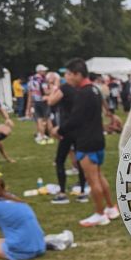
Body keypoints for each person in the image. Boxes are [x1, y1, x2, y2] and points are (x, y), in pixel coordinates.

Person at [55, 58, 117, 227]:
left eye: (69, 74)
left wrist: (59, 130)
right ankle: (111, 208)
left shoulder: (83, 93)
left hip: (87, 141)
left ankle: (99, 213)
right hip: (97, 139)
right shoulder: (95, 90)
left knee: (92, 180)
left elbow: (75, 118)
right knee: (99, 175)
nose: (67, 78)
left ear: (77, 74)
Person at [45, 71, 87, 205]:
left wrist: (56, 86)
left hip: (67, 128)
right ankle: (82, 192)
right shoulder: (80, 88)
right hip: (79, 127)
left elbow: (51, 101)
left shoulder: (64, 88)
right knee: (80, 160)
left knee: (60, 160)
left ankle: (62, 193)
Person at [26, 64, 51, 144]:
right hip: (44, 101)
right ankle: (49, 137)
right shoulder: (43, 80)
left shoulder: (31, 80)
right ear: (39, 71)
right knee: (48, 119)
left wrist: (28, 108)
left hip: (36, 102)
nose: (45, 72)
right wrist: (54, 90)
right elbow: (46, 92)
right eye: (44, 70)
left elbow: (29, 95)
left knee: (39, 120)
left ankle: (42, 137)